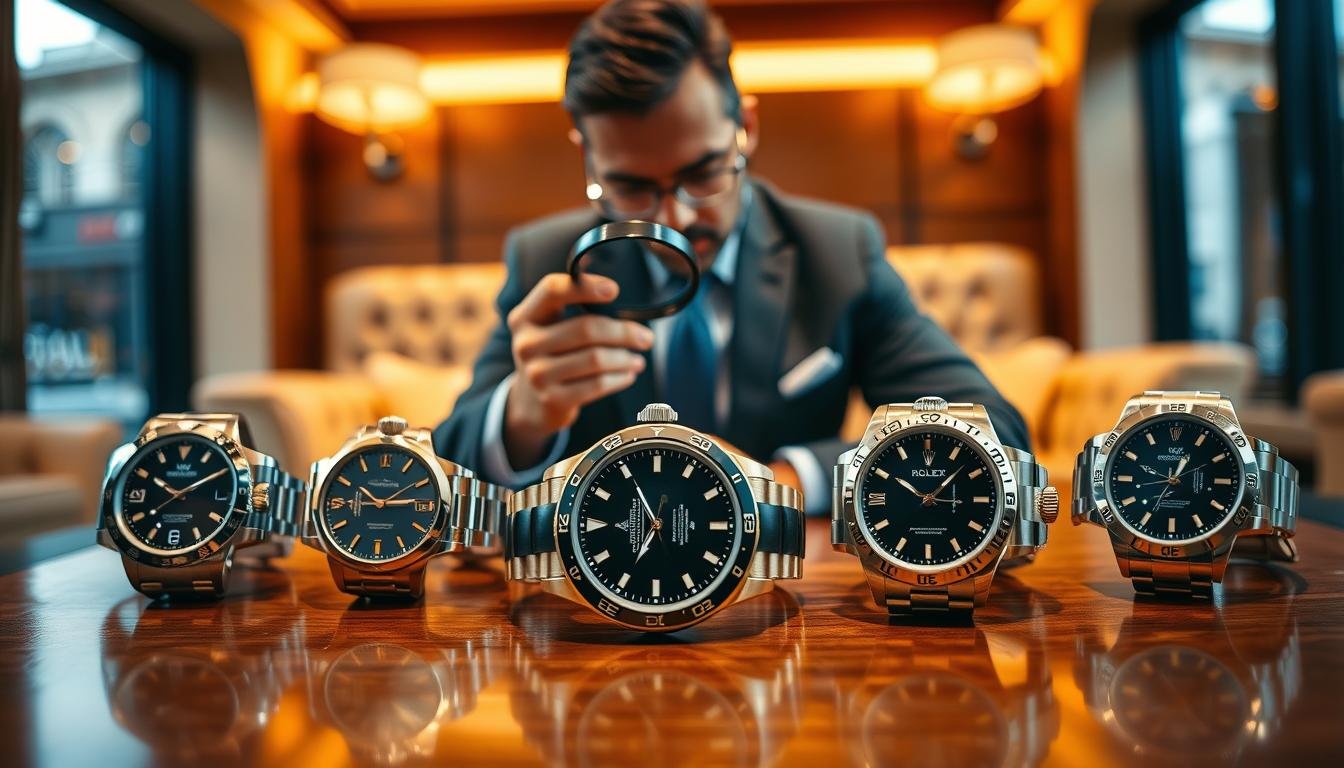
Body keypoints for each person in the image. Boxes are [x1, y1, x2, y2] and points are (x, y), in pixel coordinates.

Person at [433, 0, 1028, 513]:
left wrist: (787, 481)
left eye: (702, 173)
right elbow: (445, 474)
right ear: (589, 159)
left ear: (745, 126)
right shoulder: (547, 260)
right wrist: (523, 416)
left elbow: (993, 436)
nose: (674, 220)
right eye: (633, 188)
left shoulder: (837, 250)